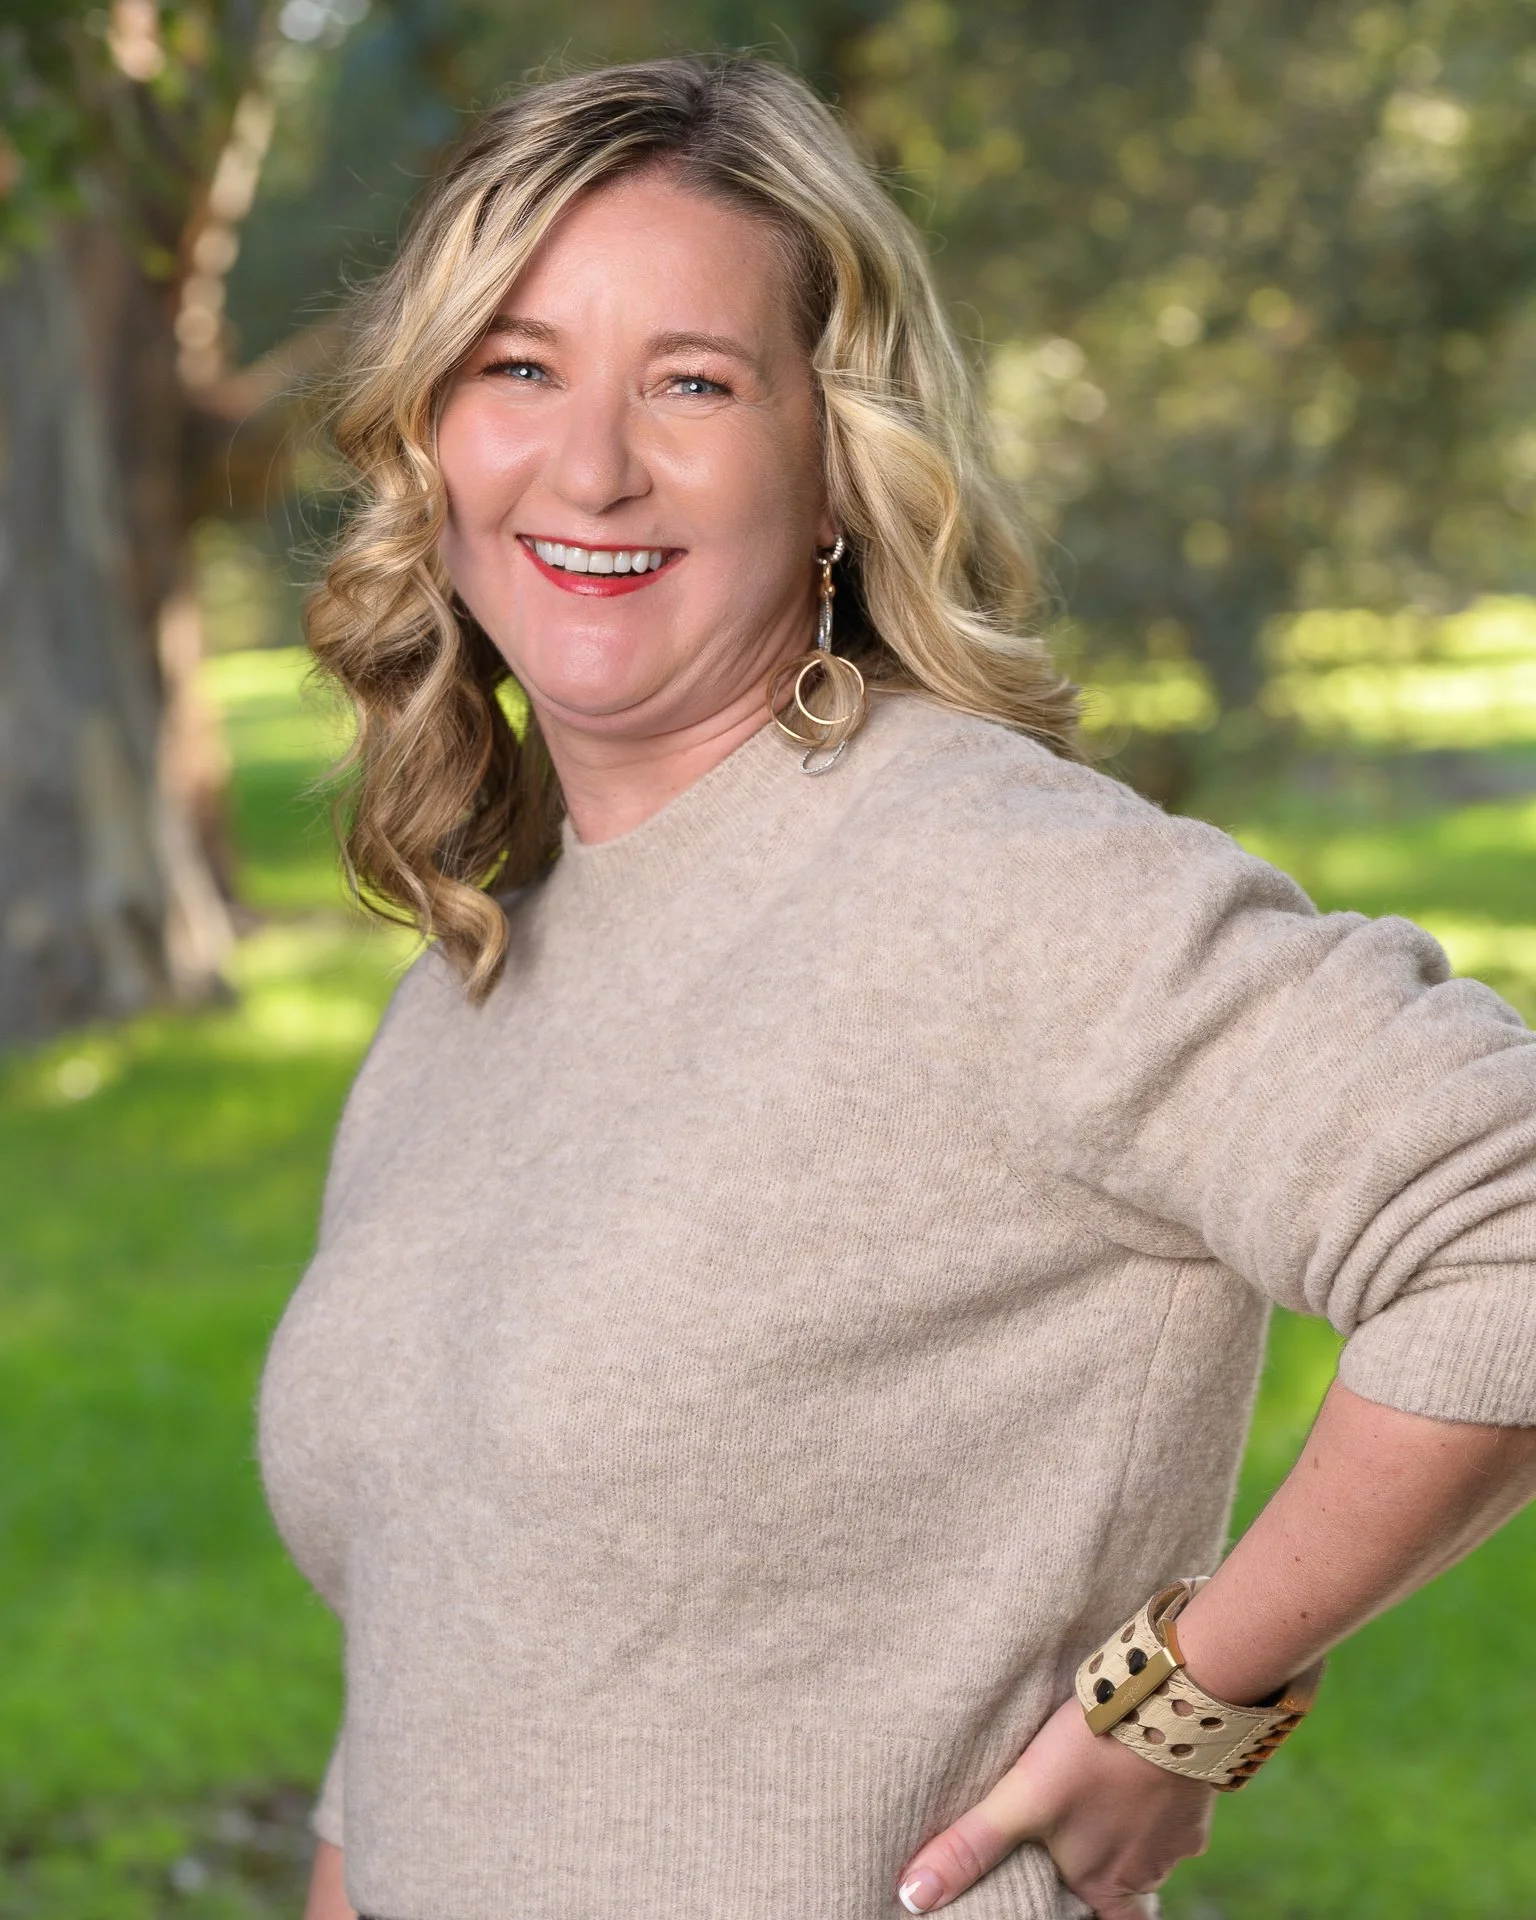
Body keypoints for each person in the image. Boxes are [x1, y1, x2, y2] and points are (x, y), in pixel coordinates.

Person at [258, 54, 1536, 1920]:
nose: (590, 462)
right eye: (517, 368)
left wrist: (1185, 1703)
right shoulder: (469, 986)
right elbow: (450, 1649)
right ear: (430, 439)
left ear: (836, 456)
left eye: (693, 381)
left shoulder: (989, 881)